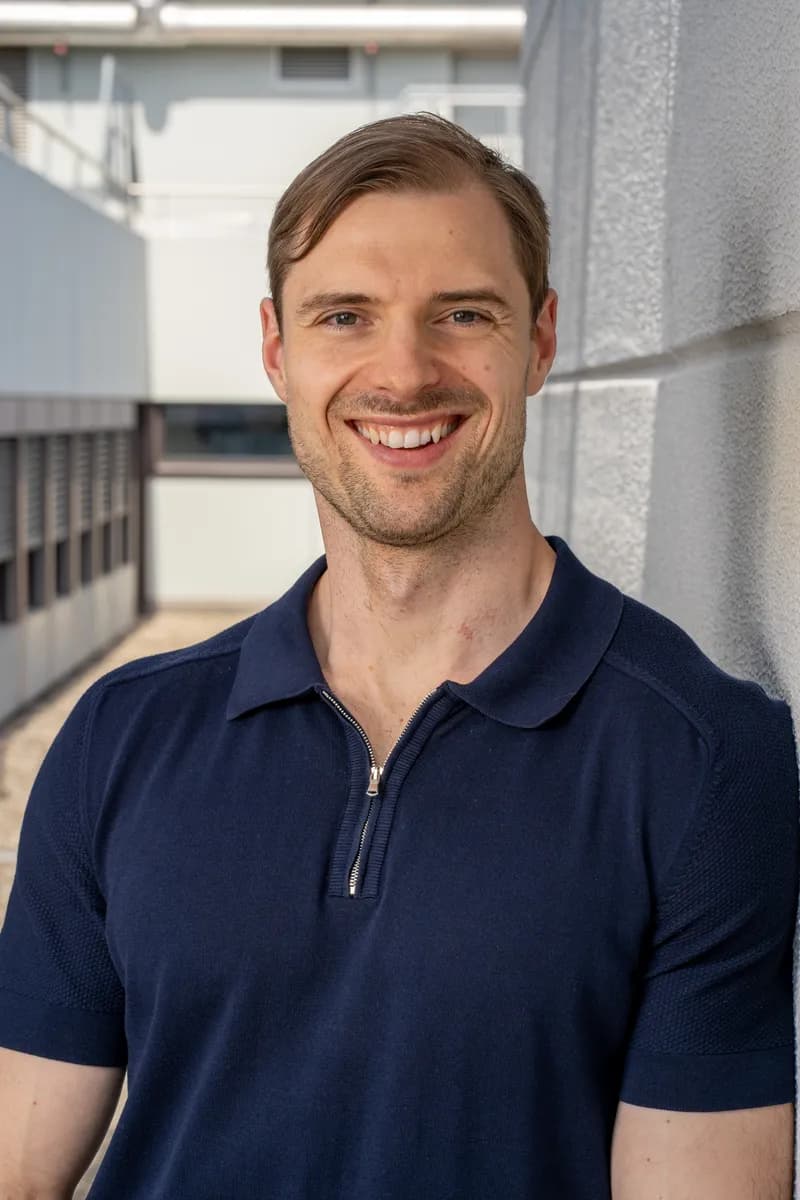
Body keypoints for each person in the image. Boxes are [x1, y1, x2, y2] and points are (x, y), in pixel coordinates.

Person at [0, 113, 797, 1200]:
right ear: (277, 350)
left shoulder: (706, 757)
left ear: (541, 340)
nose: (404, 371)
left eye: (461, 313)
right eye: (345, 317)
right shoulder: (120, 736)